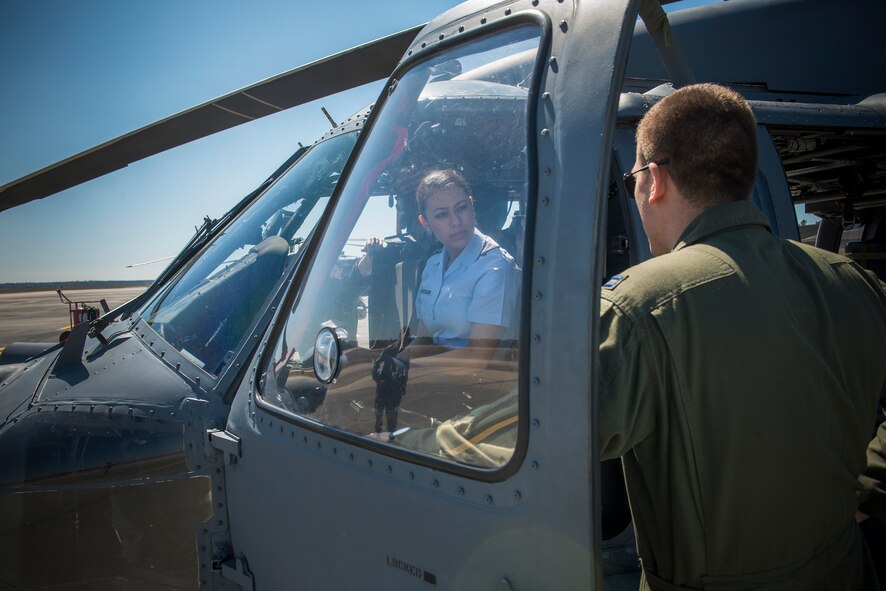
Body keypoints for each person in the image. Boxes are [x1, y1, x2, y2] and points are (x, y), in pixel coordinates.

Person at [598, 83, 886, 590]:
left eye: (632, 181)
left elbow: (544, 446)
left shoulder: (636, 306)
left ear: (655, 179)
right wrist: (869, 491)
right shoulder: (855, 282)